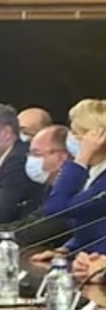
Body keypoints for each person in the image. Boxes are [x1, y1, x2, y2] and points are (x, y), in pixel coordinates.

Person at [31, 99, 106, 263]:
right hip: (87, 265)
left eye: (75, 132)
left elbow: (56, 208)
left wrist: (81, 159)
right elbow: (90, 226)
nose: (70, 138)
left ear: (98, 138)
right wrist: (65, 250)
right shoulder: (94, 172)